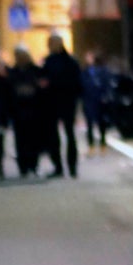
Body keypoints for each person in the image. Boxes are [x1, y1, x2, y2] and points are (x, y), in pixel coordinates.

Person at [41, 33, 81, 178]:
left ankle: (71, 166)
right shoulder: (49, 61)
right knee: (54, 136)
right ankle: (58, 166)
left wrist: (51, 83)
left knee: (69, 135)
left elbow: (75, 82)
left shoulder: (69, 62)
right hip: (54, 103)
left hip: (66, 101)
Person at [9, 46, 54, 177]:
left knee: (34, 139)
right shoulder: (13, 72)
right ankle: (23, 166)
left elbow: (43, 88)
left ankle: (33, 165)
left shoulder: (36, 71)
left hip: (34, 111)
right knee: (20, 140)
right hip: (19, 111)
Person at [81, 51, 112, 151]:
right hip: (89, 100)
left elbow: (106, 83)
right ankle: (91, 145)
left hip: (99, 100)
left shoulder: (102, 70)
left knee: (101, 123)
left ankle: (103, 143)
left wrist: (105, 96)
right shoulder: (85, 71)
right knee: (89, 124)